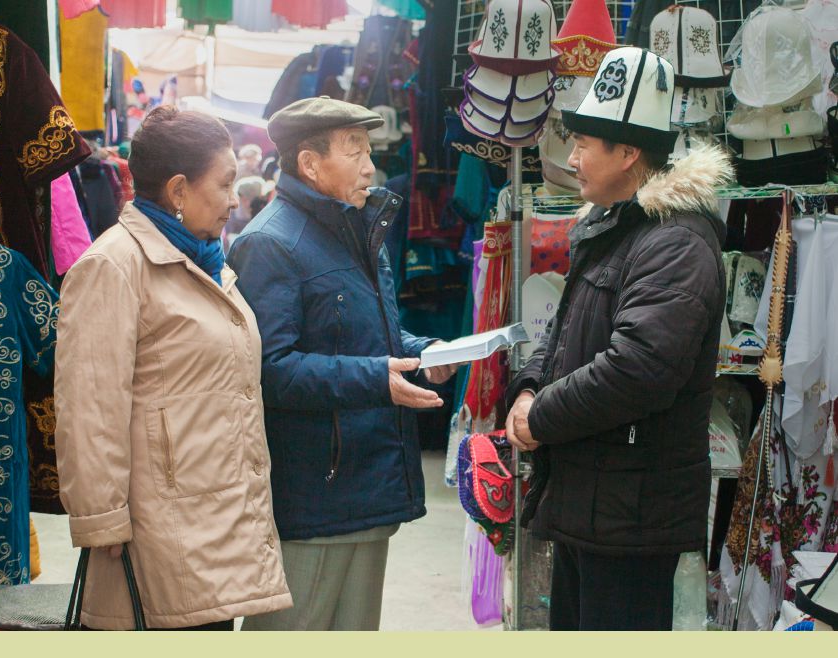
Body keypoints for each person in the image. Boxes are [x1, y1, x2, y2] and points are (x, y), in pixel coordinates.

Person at [504, 47, 732, 631]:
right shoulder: (613, 225)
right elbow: (562, 332)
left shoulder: (675, 242)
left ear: (628, 152)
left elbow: (639, 369)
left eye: (585, 145)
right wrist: (528, 389)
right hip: (593, 499)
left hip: (632, 513)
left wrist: (541, 416)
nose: (573, 158)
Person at [55, 107, 291, 630]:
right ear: (179, 190)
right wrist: (101, 519)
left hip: (215, 522)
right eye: (225, 184)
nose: (236, 199)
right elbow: (89, 407)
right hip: (159, 533)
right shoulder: (113, 267)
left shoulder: (205, 261)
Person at [228, 96, 457, 631]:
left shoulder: (359, 228)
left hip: (367, 483)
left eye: (368, 151)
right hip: (314, 494)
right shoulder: (270, 244)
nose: (371, 166)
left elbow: (363, 333)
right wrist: (377, 377)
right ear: (310, 164)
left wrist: (420, 353)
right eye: (354, 151)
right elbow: (270, 371)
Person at [223, 175, 265, 251]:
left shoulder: (263, 213)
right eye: (243, 200)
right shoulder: (231, 214)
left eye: (249, 199)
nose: (247, 204)